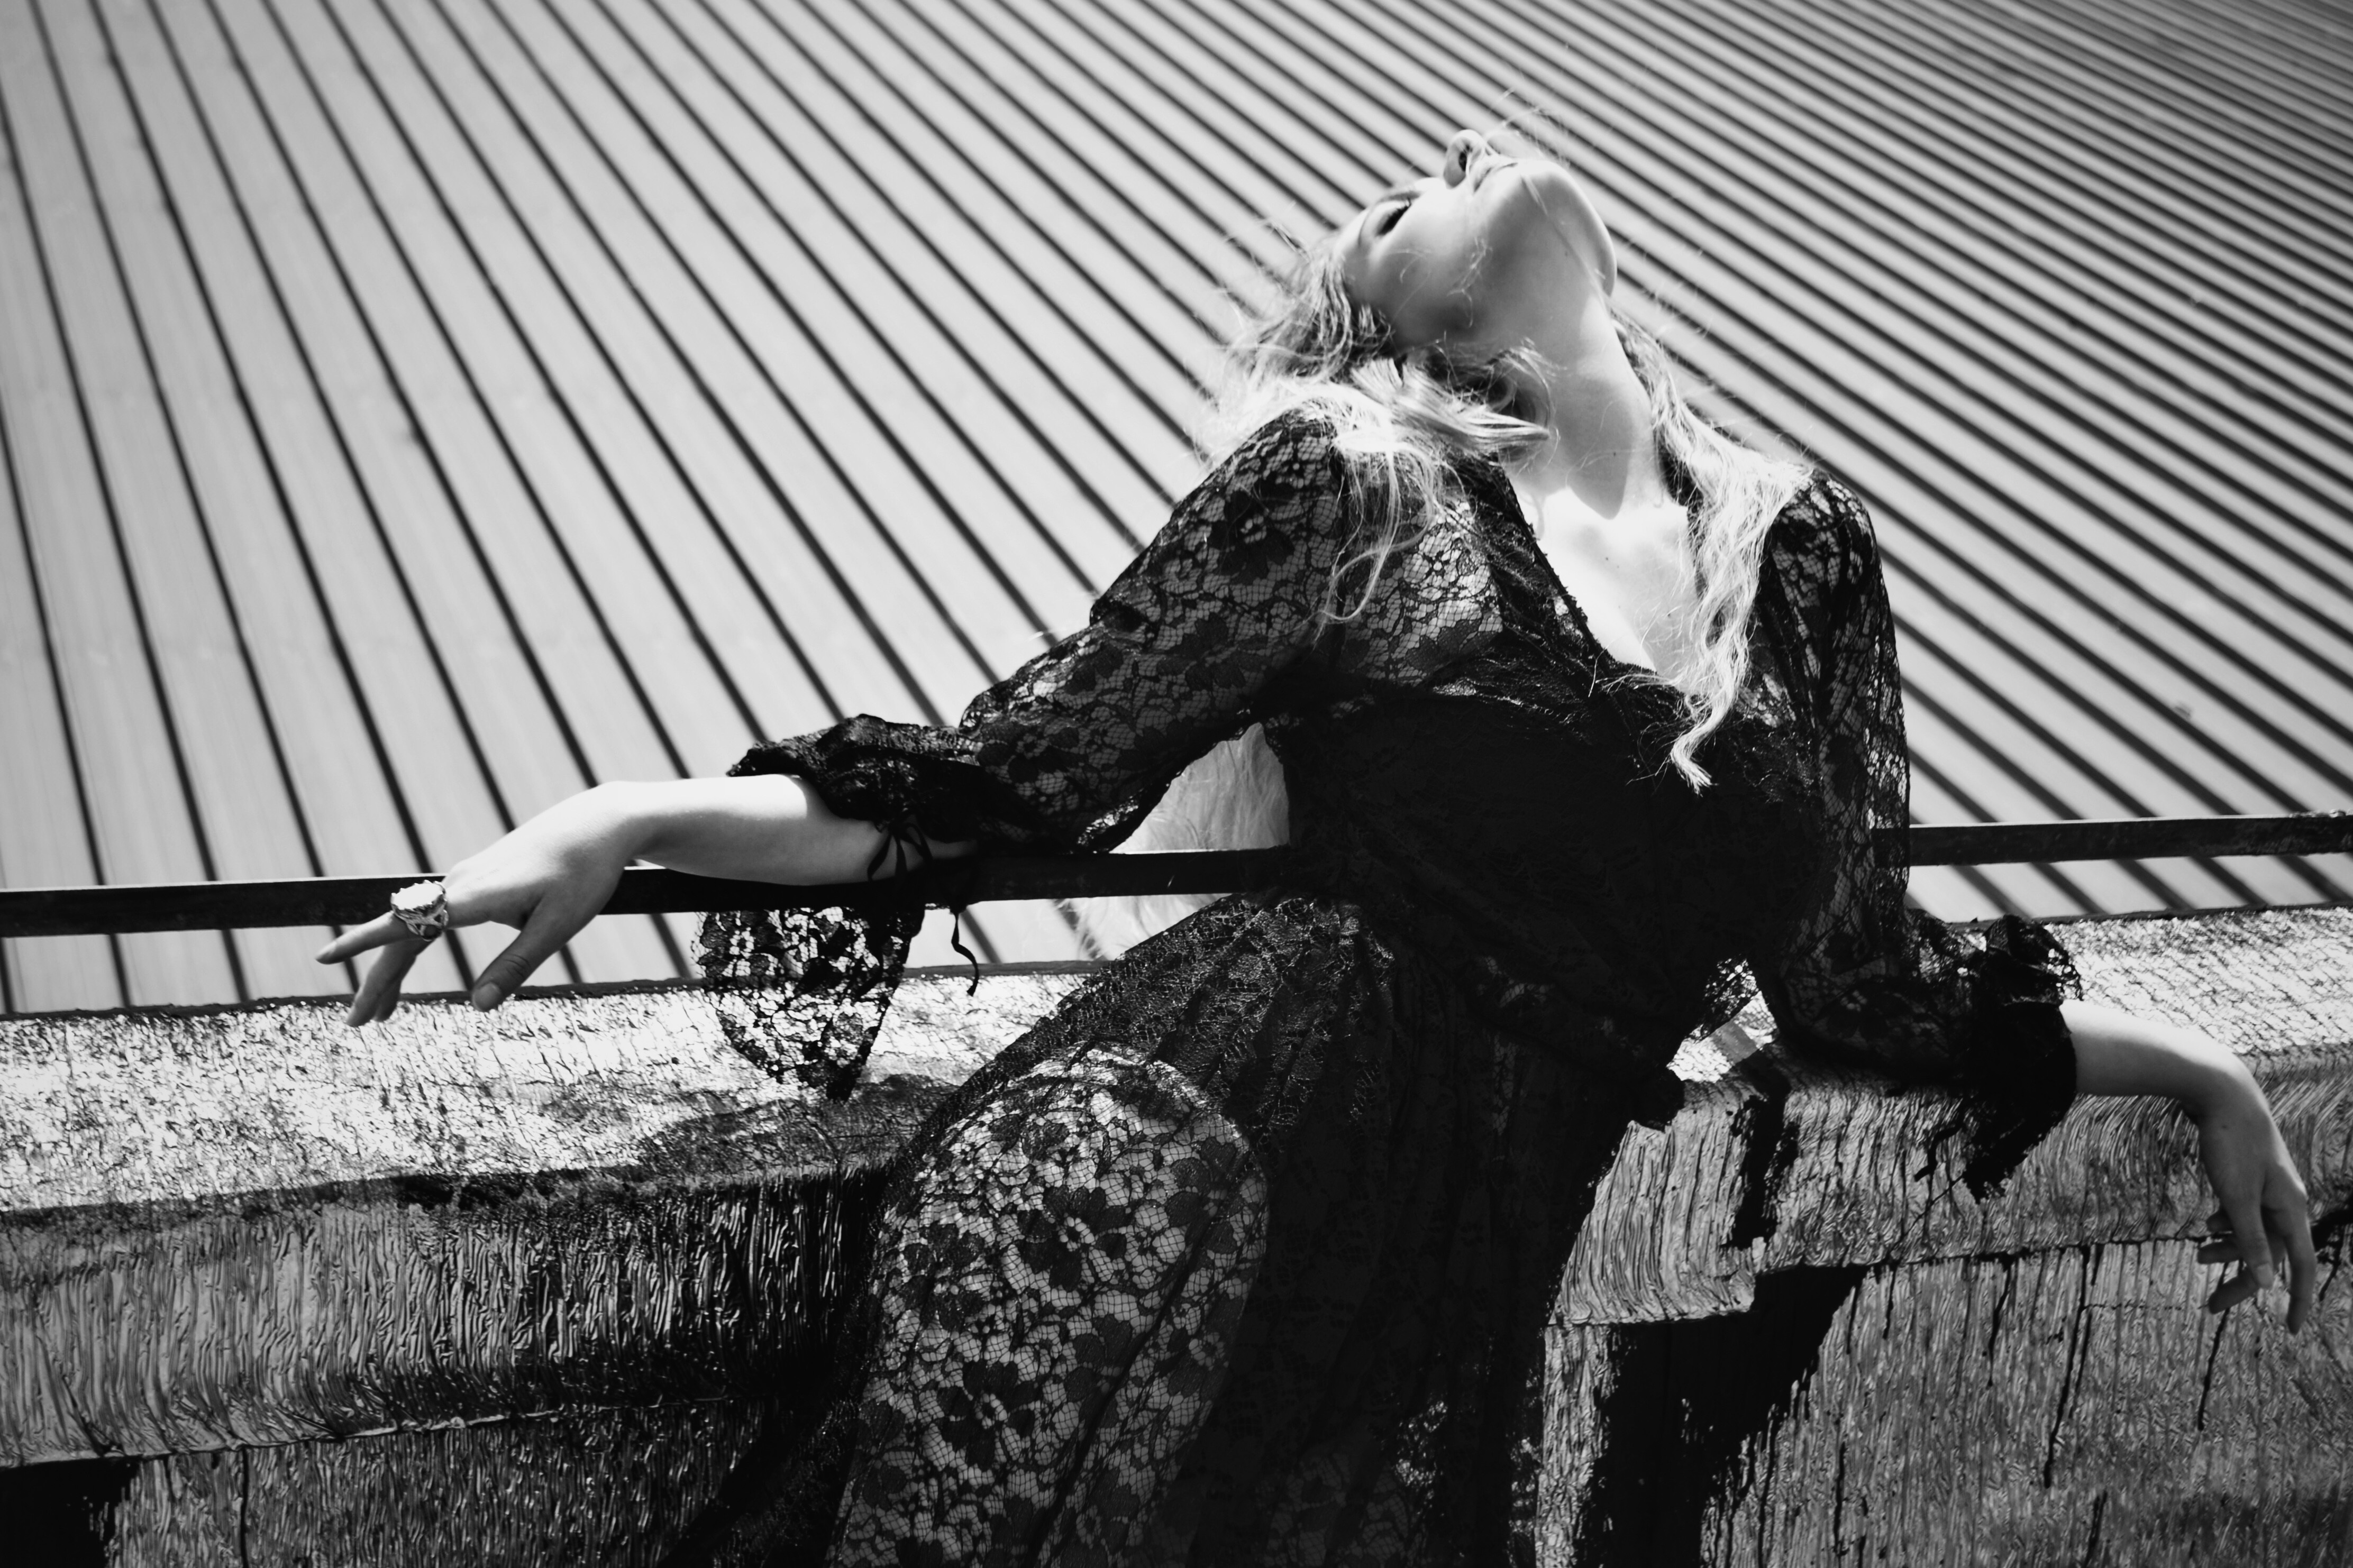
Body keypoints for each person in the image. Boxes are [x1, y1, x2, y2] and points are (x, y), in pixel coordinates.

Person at [319, 130, 2316, 1564]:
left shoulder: (1793, 554)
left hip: (1445, 1274)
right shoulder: (1360, 486)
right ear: (1409, 315)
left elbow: (1856, 979)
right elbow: (1017, 776)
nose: (1454, 153)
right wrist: (623, 821)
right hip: (1154, 1161)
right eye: (1398, 195)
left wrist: (2200, 1067)